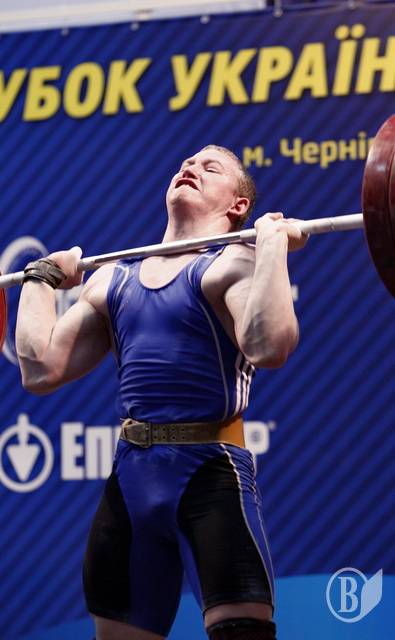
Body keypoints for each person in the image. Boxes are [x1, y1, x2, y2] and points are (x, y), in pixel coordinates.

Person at [16, 145, 308, 640]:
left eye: (210, 167)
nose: (190, 168)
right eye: (185, 164)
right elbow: (40, 369)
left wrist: (271, 249)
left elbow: (269, 346)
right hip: (131, 481)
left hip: (210, 477)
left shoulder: (232, 264)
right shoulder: (113, 278)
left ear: (238, 205)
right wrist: (40, 279)